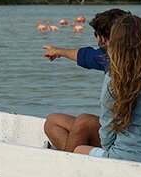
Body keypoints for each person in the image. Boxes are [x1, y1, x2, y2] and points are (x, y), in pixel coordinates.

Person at [74, 14, 141, 165]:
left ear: (115, 44)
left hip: (124, 157)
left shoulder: (113, 78)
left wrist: (110, 152)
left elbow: (108, 127)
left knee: (78, 150)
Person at [42, 8, 130, 152]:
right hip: (118, 132)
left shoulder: (113, 62)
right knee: (53, 121)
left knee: (84, 122)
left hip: (123, 138)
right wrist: (59, 51)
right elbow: (87, 56)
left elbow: (88, 56)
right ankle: (74, 153)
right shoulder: (115, 59)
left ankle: (71, 162)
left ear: (102, 39)